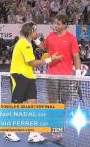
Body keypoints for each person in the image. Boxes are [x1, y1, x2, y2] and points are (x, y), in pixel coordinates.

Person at [5, 21, 63, 143]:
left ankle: (33, 134)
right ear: (31, 31)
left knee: (33, 104)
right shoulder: (24, 44)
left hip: (29, 77)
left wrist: (38, 42)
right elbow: (31, 62)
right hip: (19, 76)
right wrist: (50, 59)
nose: (37, 33)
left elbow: (36, 55)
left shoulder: (29, 43)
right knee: (16, 105)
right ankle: (9, 131)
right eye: (35, 31)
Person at [33, 13, 81, 141]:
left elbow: (76, 57)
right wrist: (36, 39)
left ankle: (58, 128)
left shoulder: (71, 38)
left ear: (65, 25)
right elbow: (43, 48)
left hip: (66, 76)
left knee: (63, 103)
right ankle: (55, 130)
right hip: (52, 75)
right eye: (55, 23)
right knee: (53, 103)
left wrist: (77, 73)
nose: (56, 25)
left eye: (58, 24)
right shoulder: (50, 36)